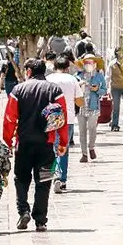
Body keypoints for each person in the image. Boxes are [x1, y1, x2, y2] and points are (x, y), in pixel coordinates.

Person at [3, 58, 69, 232]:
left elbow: (10, 118)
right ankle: (40, 220)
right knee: (44, 181)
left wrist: (7, 140)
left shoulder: (18, 90)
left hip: (23, 143)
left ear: (29, 71)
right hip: (46, 144)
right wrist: (63, 142)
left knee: (21, 179)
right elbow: (62, 118)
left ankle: (23, 211)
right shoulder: (55, 90)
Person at [46, 56, 81, 193]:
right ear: (67, 67)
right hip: (68, 118)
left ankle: (54, 176)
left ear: (55, 67)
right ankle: (62, 179)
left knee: (52, 148)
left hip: (52, 117)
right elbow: (79, 101)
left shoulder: (49, 79)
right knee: (63, 149)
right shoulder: (72, 79)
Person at [76, 55, 107, 163]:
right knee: (82, 131)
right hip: (81, 106)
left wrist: (97, 89)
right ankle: (84, 154)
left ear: (95, 64)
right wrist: (80, 85)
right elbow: (74, 88)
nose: (89, 65)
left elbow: (104, 90)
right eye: (86, 63)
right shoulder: (78, 76)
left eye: (91, 62)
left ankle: (91, 147)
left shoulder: (99, 76)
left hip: (93, 106)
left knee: (92, 128)